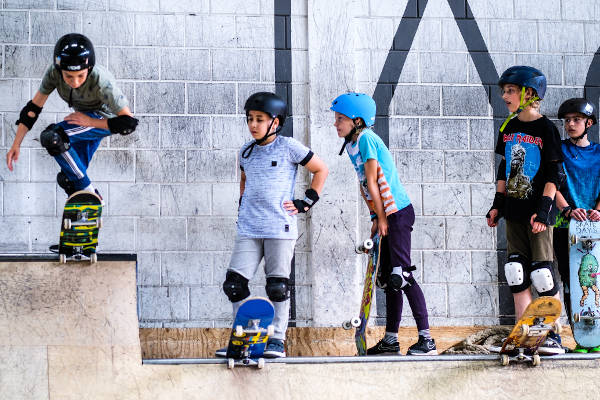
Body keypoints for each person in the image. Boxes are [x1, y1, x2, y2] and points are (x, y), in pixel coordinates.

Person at [216, 92, 328, 358]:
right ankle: (243, 337)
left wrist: (306, 202)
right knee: (234, 284)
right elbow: (244, 180)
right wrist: (242, 206)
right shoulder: (246, 151)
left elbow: (321, 169)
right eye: (250, 119)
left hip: (279, 227)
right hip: (249, 228)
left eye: (259, 119)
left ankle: (277, 338)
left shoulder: (288, 146)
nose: (253, 125)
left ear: (275, 122)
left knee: (277, 286)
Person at [330, 92, 437, 356]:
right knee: (390, 281)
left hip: (397, 212)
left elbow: (374, 180)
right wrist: (374, 218)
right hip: (385, 214)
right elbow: (364, 186)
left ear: (357, 121)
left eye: (340, 119)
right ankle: (391, 341)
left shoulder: (366, 139)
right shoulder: (353, 144)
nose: (336, 124)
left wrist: (381, 217)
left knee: (402, 275)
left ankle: (427, 340)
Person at [486, 66, 565, 354]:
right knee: (516, 273)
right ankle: (522, 333)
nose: (505, 96)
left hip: (538, 214)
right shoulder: (508, 126)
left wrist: (544, 212)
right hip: (514, 211)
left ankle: (553, 335)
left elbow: (555, 174)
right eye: (504, 91)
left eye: (510, 90)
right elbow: (504, 167)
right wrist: (497, 205)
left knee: (543, 274)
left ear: (529, 93)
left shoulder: (546, 128)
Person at [5, 33, 137, 200]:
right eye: (68, 76)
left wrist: (91, 122)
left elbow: (128, 122)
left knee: (53, 138)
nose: (75, 82)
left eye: (80, 76)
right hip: (84, 122)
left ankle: (90, 194)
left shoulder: (101, 81)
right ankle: (84, 212)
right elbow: (32, 110)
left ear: (88, 69)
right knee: (68, 179)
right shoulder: (53, 73)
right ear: (60, 71)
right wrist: (16, 144)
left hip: (103, 121)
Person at [553, 98, 600, 353]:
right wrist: (567, 209)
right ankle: (581, 338)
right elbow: (550, 183)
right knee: (573, 281)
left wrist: (597, 211)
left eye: (576, 120)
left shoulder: (599, 152)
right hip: (565, 225)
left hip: (595, 226)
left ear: (588, 123)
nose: (570, 124)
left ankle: (598, 337)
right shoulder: (558, 150)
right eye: (567, 120)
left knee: (597, 280)